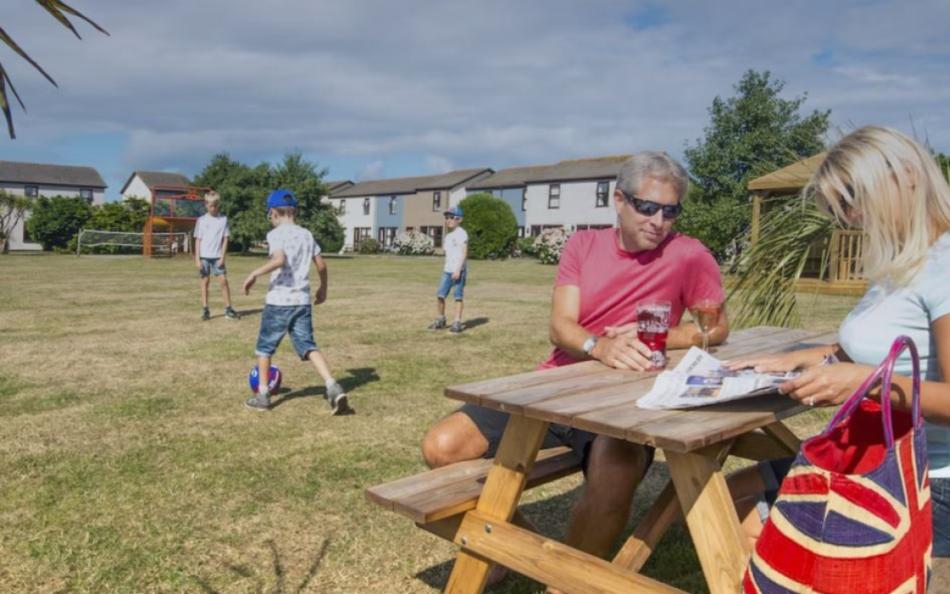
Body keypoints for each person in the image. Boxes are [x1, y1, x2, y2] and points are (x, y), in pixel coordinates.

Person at [420, 152, 729, 590]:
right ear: (619, 200)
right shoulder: (582, 246)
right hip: (556, 386)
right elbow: (560, 326)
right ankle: (513, 551)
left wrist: (656, 337)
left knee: (616, 469)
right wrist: (599, 346)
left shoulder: (690, 255)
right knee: (442, 445)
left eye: (670, 210)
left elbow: (716, 327)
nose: (659, 220)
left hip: (625, 402)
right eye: (647, 207)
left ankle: (565, 583)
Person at [726, 126, 950, 576]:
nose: (847, 217)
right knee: (728, 493)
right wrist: (813, 356)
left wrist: (865, 383)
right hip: (875, 451)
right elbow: (890, 345)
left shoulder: (944, 265)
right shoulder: (904, 261)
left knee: (749, 525)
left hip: (927, 478)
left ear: (907, 174)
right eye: (837, 208)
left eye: (851, 198)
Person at [242, 189, 352, 415]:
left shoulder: (275, 235)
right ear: (295, 212)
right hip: (302, 301)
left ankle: (263, 395)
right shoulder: (307, 234)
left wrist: (255, 273)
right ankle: (333, 385)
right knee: (308, 346)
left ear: (273, 213)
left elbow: (279, 259)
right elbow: (321, 265)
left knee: (264, 348)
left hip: (279, 301)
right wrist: (323, 288)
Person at [194, 191, 239, 321]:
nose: (213, 208)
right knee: (205, 282)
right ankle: (205, 309)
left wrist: (222, 256)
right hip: (204, 257)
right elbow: (198, 239)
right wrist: (197, 258)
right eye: (210, 205)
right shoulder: (201, 220)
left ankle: (228, 309)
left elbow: (225, 239)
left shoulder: (223, 220)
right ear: (206, 204)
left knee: (224, 281)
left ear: (218, 205)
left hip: (217, 257)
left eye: (215, 205)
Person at [428, 206, 468, 334]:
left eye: (451, 217)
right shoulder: (448, 236)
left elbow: (463, 253)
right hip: (447, 270)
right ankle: (440, 320)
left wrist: (458, 269)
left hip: (458, 270)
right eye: (446, 218)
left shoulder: (462, 233)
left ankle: (457, 322)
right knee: (440, 295)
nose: (448, 220)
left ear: (459, 219)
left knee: (458, 296)